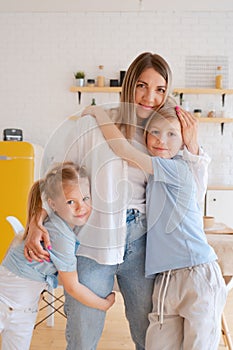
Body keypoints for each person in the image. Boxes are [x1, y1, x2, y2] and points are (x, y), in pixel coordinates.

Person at [24, 52, 210, 350]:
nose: (150, 96)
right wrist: (35, 221)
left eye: (160, 89)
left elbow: (193, 188)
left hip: (145, 245)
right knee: (83, 338)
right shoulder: (91, 127)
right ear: (128, 85)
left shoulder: (162, 136)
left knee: (148, 337)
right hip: (92, 239)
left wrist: (193, 143)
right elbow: (53, 181)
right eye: (141, 85)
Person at [84, 99, 227, 350]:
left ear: (184, 139)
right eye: (155, 132)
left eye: (172, 134)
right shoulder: (153, 176)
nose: (161, 140)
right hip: (165, 279)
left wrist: (97, 111)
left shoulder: (177, 169)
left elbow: (123, 150)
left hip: (197, 274)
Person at [0, 162, 115, 350]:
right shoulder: (60, 234)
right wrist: (103, 304)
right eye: (71, 202)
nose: (81, 207)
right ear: (52, 204)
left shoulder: (53, 223)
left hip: (24, 310)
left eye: (86, 198)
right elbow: (72, 286)